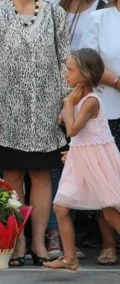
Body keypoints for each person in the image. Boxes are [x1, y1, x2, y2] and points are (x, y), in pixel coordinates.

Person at [0, 0, 70, 267]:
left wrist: (65, 106)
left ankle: (39, 243)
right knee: (13, 175)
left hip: (46, 109)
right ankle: (16, 242)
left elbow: (64, 65)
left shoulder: (55, 14)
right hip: (8, 110)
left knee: (43, 175)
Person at [44, 49, 120, 271]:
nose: (65, 74)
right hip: (81, 159)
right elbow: (83, 138)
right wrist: (75, 152)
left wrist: (67, 105)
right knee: (60, 207)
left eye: (70, 70)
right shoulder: (78, 98)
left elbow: (73, 130)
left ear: (85, 75)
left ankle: (69, 258)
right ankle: (70, 258)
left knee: (110, 212)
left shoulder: (90, 101)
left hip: (97, 162)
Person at [79, 0, 120, 265]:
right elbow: (88, 64)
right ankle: (108, 244)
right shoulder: (99, 19)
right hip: (107, 110)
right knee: (105, 181)